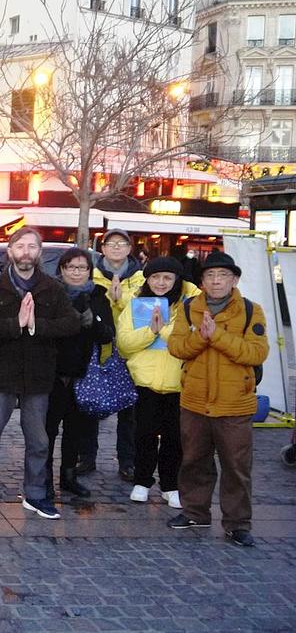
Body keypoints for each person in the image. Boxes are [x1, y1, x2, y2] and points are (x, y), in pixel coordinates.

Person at [0, 227, 80, 521]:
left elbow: (71, 324)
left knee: (39, 440)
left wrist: (35, 326)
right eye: (20, 246)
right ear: (10, 251)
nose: (26, 252)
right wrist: (15, 324)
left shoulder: (52, 288)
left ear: (39, 253)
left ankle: (36, 495)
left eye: (32, 246)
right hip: (0, 374)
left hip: (39, 375)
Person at [167, 252, 269, 547]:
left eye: (222, 276)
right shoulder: (188, 309)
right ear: (201, 281)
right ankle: (195, 512)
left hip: (234, 404)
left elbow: (257, 353)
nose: (216, 281)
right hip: (195, 401)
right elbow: (176, 347)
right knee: (194, 461)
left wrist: (218, 337)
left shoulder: (251, 311)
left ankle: (237, 524)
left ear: (234, 280)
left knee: (236, 467)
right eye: (210, 276)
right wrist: (201, 337)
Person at [117, 256, 200, 509]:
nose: (160, 283)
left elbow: (191, 345)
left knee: (175, 438)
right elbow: (124, 345)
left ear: (177, 280)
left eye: (167, 278)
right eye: (155, 277)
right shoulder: (135, 304)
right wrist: (150, 331)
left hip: (179, 382)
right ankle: (142, 481)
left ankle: (170, 485)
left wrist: (162, 330)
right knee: (144, 434)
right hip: (146, 382)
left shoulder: (192, 306)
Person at [46, 247, 114, 500]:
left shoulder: (98, 296)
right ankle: (44, 479)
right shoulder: (51, 293)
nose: (76, 272)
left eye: (82, 267)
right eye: (71, 267)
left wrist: (91, 319)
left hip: (84, 375)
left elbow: (108, 334)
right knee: (48, 430)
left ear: (89, 271)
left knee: (75, 432)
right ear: (62, 269)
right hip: (53, 374)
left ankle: (69, 476)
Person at [85, 228, 145, 481]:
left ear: (130, 248)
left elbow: (144, 310)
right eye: (111, 243)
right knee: (90, 404)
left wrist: (121, 300)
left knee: (129, 410)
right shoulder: (91, 275)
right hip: (99, 347)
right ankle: (86, 457)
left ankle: (127, 461)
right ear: (103, 249)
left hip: (131, 349)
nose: (117, 247)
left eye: (122, 243)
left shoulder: (143, 278)